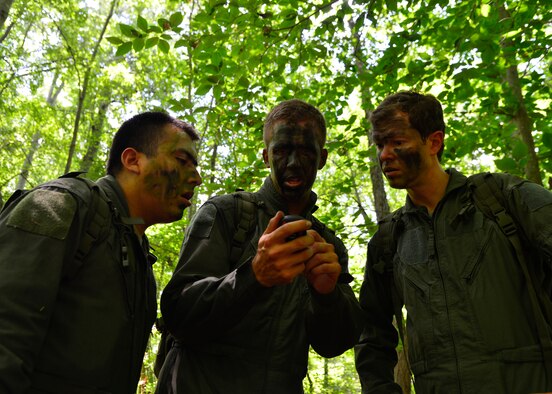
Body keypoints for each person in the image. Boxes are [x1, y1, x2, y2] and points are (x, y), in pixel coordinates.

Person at [155, 99, 363, 393]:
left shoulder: (327, 245)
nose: (293, 163)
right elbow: (178, 313)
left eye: (305, 151)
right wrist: (254, 276)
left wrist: (327, 295)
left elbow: (335, 344)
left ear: (323, 158)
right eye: (281, 151)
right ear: (266, 156)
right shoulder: (226, 214)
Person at [354, 91, 552, 393]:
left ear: (434, 142)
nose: (384, 154)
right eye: (380, 145)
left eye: (397, 142)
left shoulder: (502, 199)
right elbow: (371, 334)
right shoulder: (388, 240)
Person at [0, 111, 202, 393]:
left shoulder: (140, 256)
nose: (197, 178)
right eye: (182, 161)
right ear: (132, 160)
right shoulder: (64, 204)